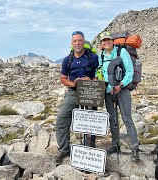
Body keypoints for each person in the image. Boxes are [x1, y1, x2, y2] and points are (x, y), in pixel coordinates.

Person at [55, 31, 99, 164]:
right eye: (75, 41)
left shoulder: (92, 57)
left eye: (80, 41)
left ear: (84, 42)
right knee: (62, 118)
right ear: (71, 43)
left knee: (91, 121)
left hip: (90, 91)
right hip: (73, 91)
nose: (78, 43)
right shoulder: (67, 60)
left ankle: (90, 150)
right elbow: (63, 79)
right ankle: (63, 150)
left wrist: (90, 80)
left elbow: (99, 74)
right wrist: (73, 83)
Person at [98, 31, 140, 162]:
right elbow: (100, 71)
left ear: (112, 41)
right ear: (101, 43)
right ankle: (115, 144)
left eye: (108, 39)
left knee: (127, 119)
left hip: (121, 90)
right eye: (104, 40)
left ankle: (135, 148)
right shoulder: (101, 55)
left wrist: (120, 86)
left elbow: (129, 71)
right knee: (112, 119)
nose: (106, 42)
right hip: (108, 92)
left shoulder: (121, 52)